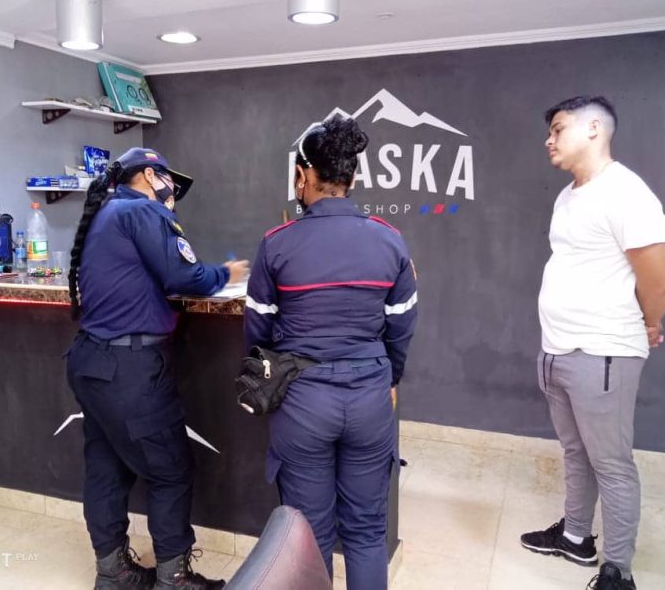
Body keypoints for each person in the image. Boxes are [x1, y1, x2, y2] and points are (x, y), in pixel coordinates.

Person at [244, 115, 417, 590]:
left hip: (302, 402)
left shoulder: (277, 244)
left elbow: (257, 331)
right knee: (366, 532)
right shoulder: (389, 239)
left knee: (309, 536)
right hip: (369, 400)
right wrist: (389, 378)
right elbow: (402, 326)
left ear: (302, 175)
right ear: (352, 178)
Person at [66, 147, 249, 590]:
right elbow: (185, 276)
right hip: (130, 369)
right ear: (149, 175)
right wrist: (224, 274)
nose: (172, 192)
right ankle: (175, 579)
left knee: (107, 469)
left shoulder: (106, 212)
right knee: (170, 471)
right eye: (168, 181)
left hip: (92, 362)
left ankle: (113, 573)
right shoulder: (142, 211)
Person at [520, 96, 665, 590]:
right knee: (575, 452)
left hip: (603, 351)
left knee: (611, 463)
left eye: (557, 129)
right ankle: (575, 536)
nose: (549, 140)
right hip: (557, 348)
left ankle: (618, 571)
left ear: (593, 128)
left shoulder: (627, 193)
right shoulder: (568, 196)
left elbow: (660, 279)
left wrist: (650, 322)